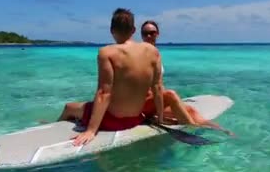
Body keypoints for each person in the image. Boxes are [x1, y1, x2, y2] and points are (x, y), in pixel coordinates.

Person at [56, 8, 166, 146]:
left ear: (112, 30)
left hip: (112, 121)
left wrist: (91, 131)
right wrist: (160, 119)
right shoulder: (153, 51)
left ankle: (53, 127)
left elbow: (104, 93)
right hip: (135, 119)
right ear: (133, 30)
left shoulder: (107, 52)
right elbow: (158, 88)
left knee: (69, 107)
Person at [140, 20, 235, 135]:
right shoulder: (140, 55)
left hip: (156, 102)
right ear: (141, 36)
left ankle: (220, 129)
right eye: (145, 33)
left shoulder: (156, 54)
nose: (149, 36)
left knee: (191, 110)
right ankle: (192, 127)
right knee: (171, 94)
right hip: (144, 104)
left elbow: (159, 84)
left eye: (152, 32)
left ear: (158, 34)